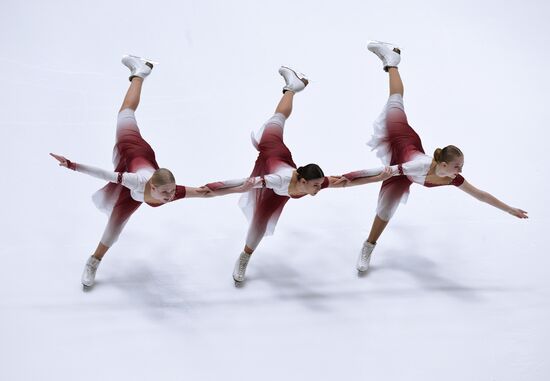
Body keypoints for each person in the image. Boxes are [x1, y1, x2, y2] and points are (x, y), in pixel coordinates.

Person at [50, 55, 250, 288]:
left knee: (114, 228)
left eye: (171, 192)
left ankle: (139, 73)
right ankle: (140, 72)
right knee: (126, 113)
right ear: (152, 187)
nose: (170, 197)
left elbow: (206, 192)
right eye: (166, 193)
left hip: (144, 156)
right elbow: (103, 174)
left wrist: (241, 187)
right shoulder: (135, 182)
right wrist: (71, 164)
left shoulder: (170, 190)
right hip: (130, 147)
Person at [339, 41, 528, 273]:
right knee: (395, 100)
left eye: (461, 166)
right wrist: (342, 180)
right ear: (444, 164)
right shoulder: (419, 166)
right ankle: (393, 62)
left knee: (385, 210)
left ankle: (368, 245)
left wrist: (509, 209)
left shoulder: (452, 178)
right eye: (457, 166)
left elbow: (480, 195)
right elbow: (377, 173)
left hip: (405, 164)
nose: (460, 170)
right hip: (400, 138)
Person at [205, 66, 392, 283]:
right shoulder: (278, 179)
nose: (318, 189)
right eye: (314, 186)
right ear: (302, 181)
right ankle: (244, 257)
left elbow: (344, 181)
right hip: (270, 151)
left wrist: (380, 176)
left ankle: (292, 87)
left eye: (318, 185)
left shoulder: (313, 182)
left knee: (279, 121)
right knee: (278, 119)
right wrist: (211, 189)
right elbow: (243, 184)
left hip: (281, 162)